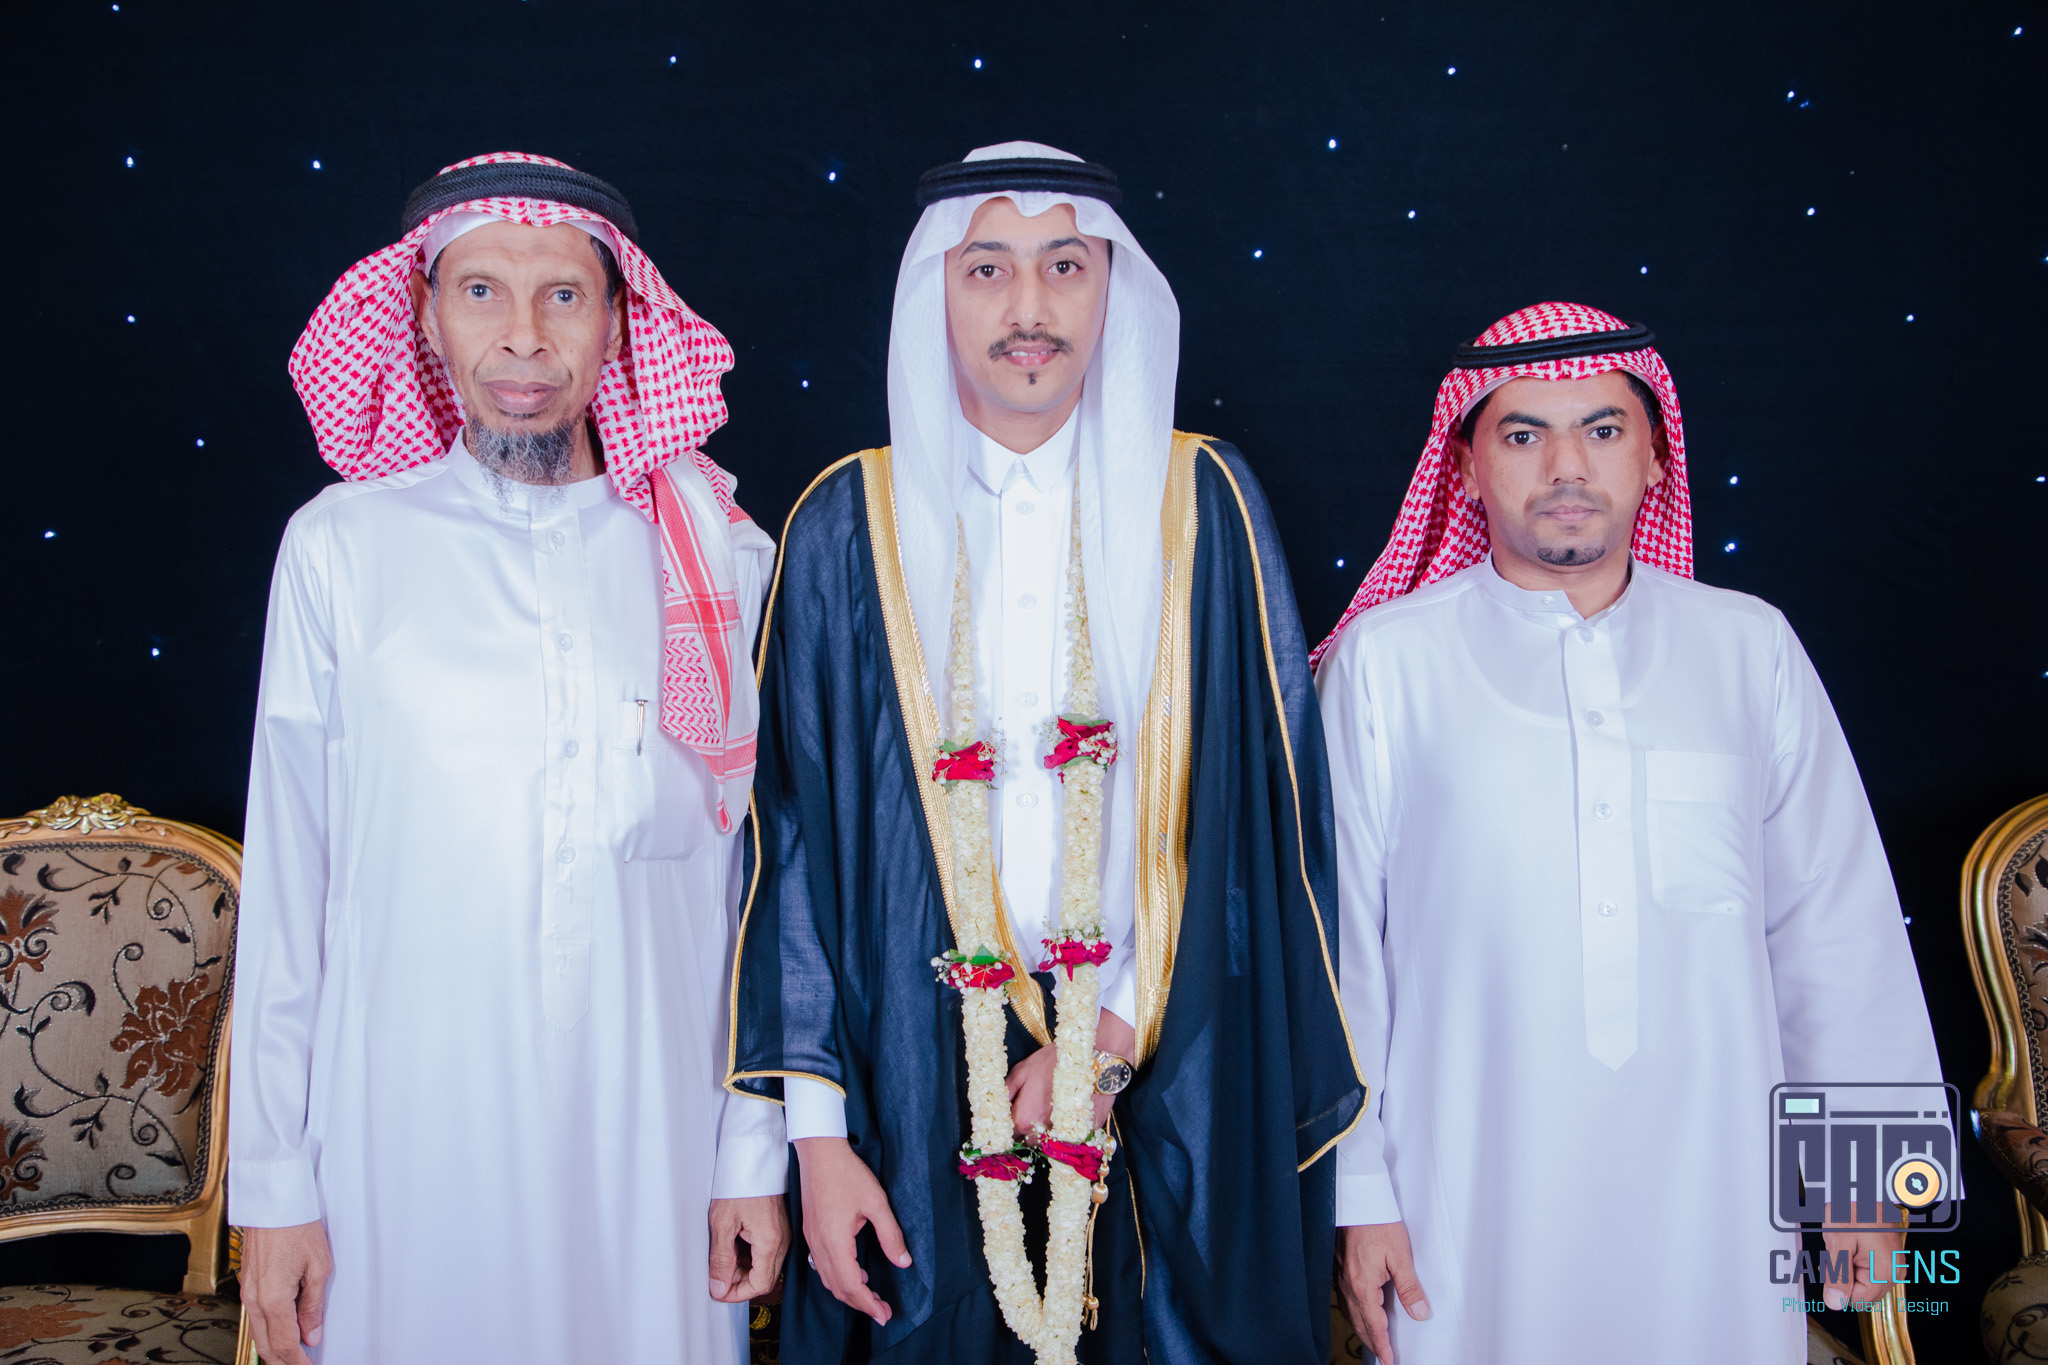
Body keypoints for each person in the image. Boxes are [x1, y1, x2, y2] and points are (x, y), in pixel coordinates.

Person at [728, 142, 1362, 1365]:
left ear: (1111, 289)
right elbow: (791, 850)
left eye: (1064, 266)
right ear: (935, 291)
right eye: (987, 269)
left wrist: (1110, 1031)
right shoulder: (844, 524)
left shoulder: (1202, 505)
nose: (1028, 307)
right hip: (906, 1088)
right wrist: (815, 1141)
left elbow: (1266, 830)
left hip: (1167, 1073)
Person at [229, 152, 789, 1365]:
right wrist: (271, 1186)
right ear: (425, 317)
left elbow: (756, 891)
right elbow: (288, 887)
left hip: (653, 1142)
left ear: (618, 323)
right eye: (480, 291)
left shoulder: (718, 556)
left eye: (562, 296)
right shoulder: (341, 550)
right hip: (401, 1149)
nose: (523, 337)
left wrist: (750, 1154)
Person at [1313, 302, 1943, 1363]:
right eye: (1523, 434)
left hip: (1716, 1194)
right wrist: (1359, 1194)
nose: (1567, 466)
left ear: (1655, 455)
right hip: (1463, 1200)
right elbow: (1342, 963)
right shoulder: (1385, 664)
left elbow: (1833, 928)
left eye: (1603, 429)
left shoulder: (1748, 650)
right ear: (1464, 465)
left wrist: (1861, 1181)